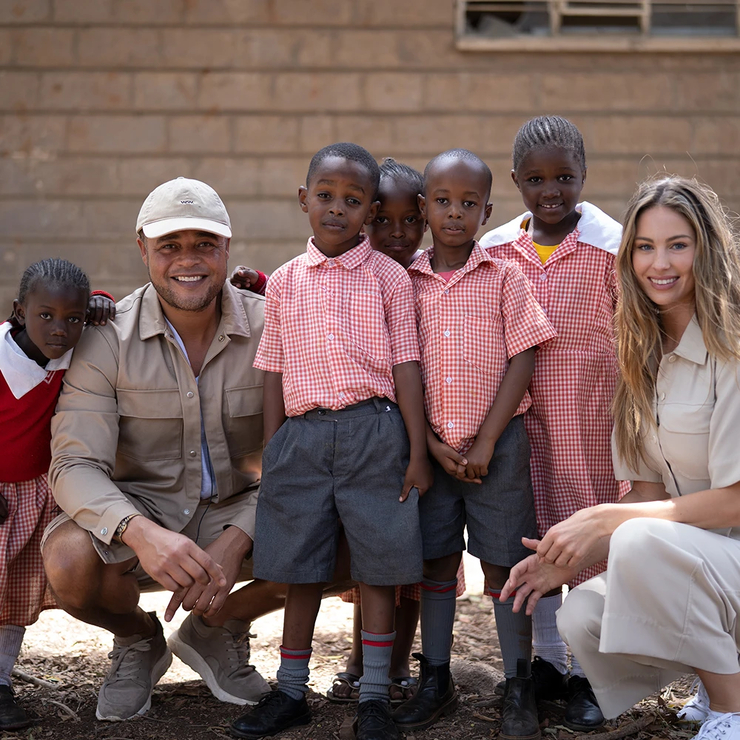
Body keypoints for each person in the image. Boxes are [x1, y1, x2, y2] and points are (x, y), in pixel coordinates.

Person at [502, 175, 740, 740]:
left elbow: (735, 500)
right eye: (645, 246)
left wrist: (610, 519)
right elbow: (648, 493)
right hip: (708, 566)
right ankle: (717, 671)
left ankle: (732, 708)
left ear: (706, 249)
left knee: (637, 539)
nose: (660, 263)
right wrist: (568, 553)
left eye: (678, 244)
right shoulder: (638, 355)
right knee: (581, 614)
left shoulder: (731, 344)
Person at [42, 177, 286, 723]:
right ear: (142, 249)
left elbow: (299, 456)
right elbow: (75, 463)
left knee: (346, 531)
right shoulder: (106, 340)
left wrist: (240, 533)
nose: (188, 260)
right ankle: (137, 640)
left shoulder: (275, 325)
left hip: (245, 511)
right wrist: (139, 532)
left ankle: (215, 629)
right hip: (145, 513)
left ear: (227, 248)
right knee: (69, 559)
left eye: (204, 243)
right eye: (169, 246)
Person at [230, 143, 432, 740]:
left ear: (371, 209)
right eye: (326, 197)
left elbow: (406, 368)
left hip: (377, 432)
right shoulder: (288, 281)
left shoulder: (390, 278)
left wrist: (418, 451)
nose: (337, 209)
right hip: (304, 437)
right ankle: (290, 691)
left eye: (352, 200)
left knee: (378, 568)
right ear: (304, 200)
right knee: (301, 569)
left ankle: (373, 696)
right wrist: (275, 450)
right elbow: (273, 369)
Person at [392, 149, 556, 739]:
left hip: (499, 447)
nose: (454, 214)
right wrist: (430, 446)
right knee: (435, 559)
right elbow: (398, 367)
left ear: (487, 211)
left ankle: (518, 684)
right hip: (431, 451)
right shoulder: (404, 280)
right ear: (424, 207)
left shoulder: (505, 275)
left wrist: (487, 439)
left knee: (504, 562)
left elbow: (524, 354)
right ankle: (435, 679)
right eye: (442, 202)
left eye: (468, 204)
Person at [480, 115, 628, 729]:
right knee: (531, 538)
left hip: (588, 424)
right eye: (536, 179)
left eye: (564, 178)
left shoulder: (610, 247)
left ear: (584, 177)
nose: (551, 191)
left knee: (590, 545)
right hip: (519, 428)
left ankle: (597, 674)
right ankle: (547, 661)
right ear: (515, 180)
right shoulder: (494, 251)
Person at [328, 158, 467, 705]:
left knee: (413, 556)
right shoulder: (358, 271)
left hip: (432, 433)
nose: (398, 233)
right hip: (373, 437)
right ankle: (364, 659)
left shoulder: (432, 274)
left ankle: (397, 667)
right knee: (375, 555)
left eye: (411, 221)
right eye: (384, 221)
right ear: (365, 221)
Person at [0, 259, 114, 730]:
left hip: (34, 493)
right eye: (45, 316)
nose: (60, 329)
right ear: (19, 312)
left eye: (74, 318)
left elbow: (100, 304)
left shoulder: (76, 357)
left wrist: (102, 301)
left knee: (11, 599)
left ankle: (0, 684)